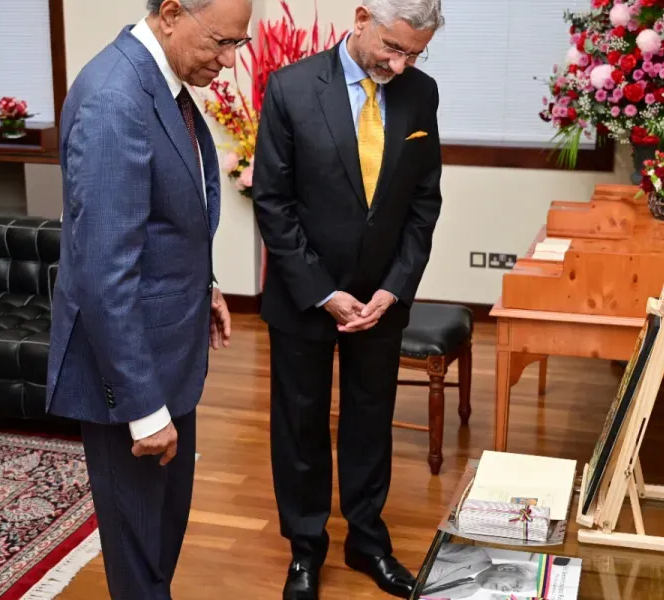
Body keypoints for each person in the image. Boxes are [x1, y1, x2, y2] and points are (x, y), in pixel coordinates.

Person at [45, 0, 250, 597]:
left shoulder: (162, 81)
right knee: (139, 567)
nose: (230, 60)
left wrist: (203, 285)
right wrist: (143, 407)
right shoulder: (115, 99)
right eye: (220, 42)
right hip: (127, 379)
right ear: (169, 13)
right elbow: (103, 273)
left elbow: (165, 220)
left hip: (167, 352)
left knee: (159, 548)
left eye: (241, 43)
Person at [250, 0, 444, 597]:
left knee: (369, 422)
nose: (400, 62)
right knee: (301, 424)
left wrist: (395, 286)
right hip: (306, 296)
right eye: (393, 46)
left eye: (414, 52)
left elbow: (423, 202)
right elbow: (273, 205)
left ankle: (368, 541)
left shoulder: (420, 93)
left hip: (381, 299)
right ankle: (305, 550)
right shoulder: (288, 88)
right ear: (361, 18)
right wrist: (323, 291)